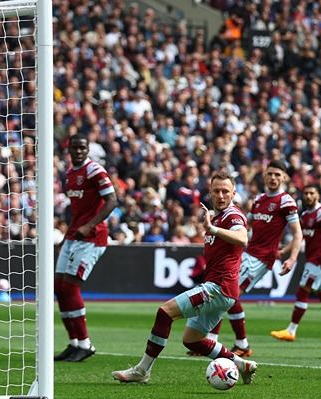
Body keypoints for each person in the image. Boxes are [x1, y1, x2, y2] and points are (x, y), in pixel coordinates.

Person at [111, 172, 257, 384]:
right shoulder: (217, 217)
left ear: (234, 193)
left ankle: (142, 370)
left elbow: (243, 238)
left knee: (165, 312)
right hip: (224, 290)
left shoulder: (233, 216)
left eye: (226, 191)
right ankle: (242, 365)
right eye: (216, 191)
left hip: (219, 288)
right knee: (192, 340)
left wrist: (212, 229)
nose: (221, 195)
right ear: (210, 192)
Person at [205, 160, 303, 356]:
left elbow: (298, 233)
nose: (273, 178)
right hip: (248, 253)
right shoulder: (258, 200)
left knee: (226, 293)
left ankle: (211, 341)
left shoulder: (286, 201)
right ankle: (241, 344)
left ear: (284, 177)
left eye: (277, 174)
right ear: (264, 176)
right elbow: (245, 224)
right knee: (231, 295)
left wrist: (292, 258)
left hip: (260, 258)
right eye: (270, 174)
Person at [54, 136, 117, 362]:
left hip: (92, 237)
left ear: (88, 150)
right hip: (74, 235)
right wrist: (66, 235)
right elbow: (77, 211)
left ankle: (85, 343)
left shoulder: (95, 171)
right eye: (75, 148)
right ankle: (73, 343)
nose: (79, 151)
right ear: (68, 149)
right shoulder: (70, 175)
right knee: (59, 286)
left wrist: (90, 225)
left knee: (70, 287)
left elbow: (112, 200)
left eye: (83, 148)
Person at [270, 185, 321, 342]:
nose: (308, 196)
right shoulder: (305, 216)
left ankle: (291, 330)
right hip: (315, 260)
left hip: (320, 261)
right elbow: (299, 237)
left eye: (312, 193)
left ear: (317, 195)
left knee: (302, 292)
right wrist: (284, 251)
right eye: (306, 193)